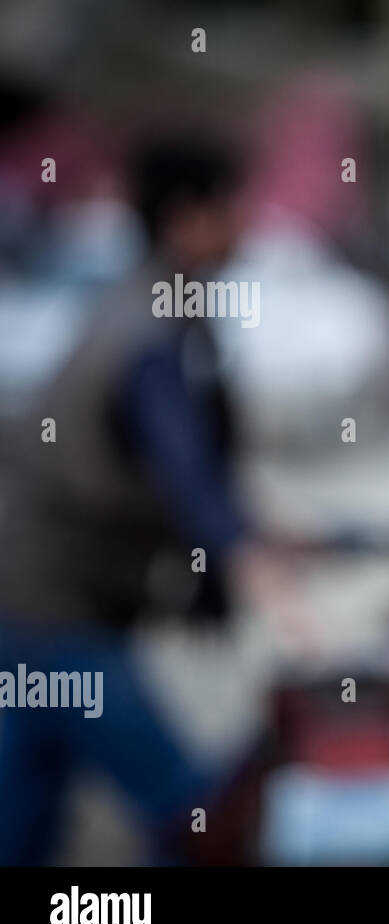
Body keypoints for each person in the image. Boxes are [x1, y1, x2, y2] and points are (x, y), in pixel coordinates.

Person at [0, 132, 298, 864]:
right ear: (185, 218)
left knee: (25, 818)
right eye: (232, 209)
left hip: (31, 606)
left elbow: (192, 475)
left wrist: (272, 532)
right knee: (191, 816)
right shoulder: (149, 332)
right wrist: (271, 589)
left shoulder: (151, 308)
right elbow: (188, 478)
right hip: (57, 617)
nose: (246, 226)